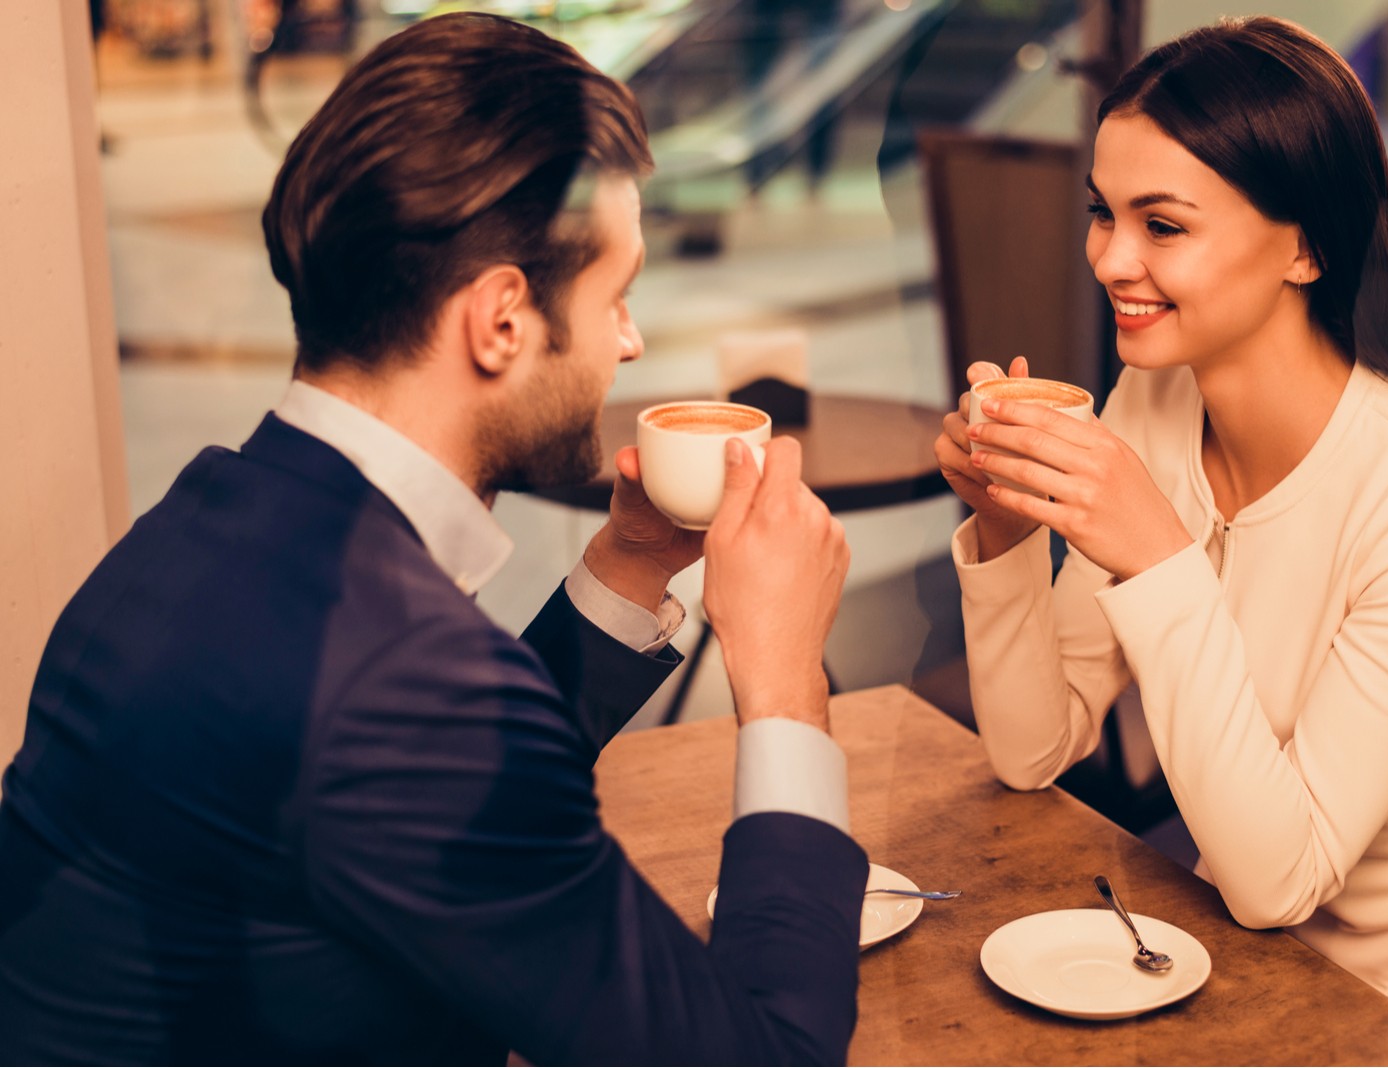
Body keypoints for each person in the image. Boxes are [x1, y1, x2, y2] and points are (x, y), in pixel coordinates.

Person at [0, 14, 866, 1063]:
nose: (629, 343)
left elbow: (450, 800)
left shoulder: (198, 528)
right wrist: (780, 688)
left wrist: (631, 565)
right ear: (501, 320)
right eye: (616, 295)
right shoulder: (405, 686)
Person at [934, 15, 1388, 1060]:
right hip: (1241, 978)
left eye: (1164, 224)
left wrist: (1158, 560)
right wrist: (1007, 526)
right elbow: (1030, 747)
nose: (1110, 258)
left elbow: (1281, 879)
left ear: (1307, 245)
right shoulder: (1152, 401)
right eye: (1102, 213)